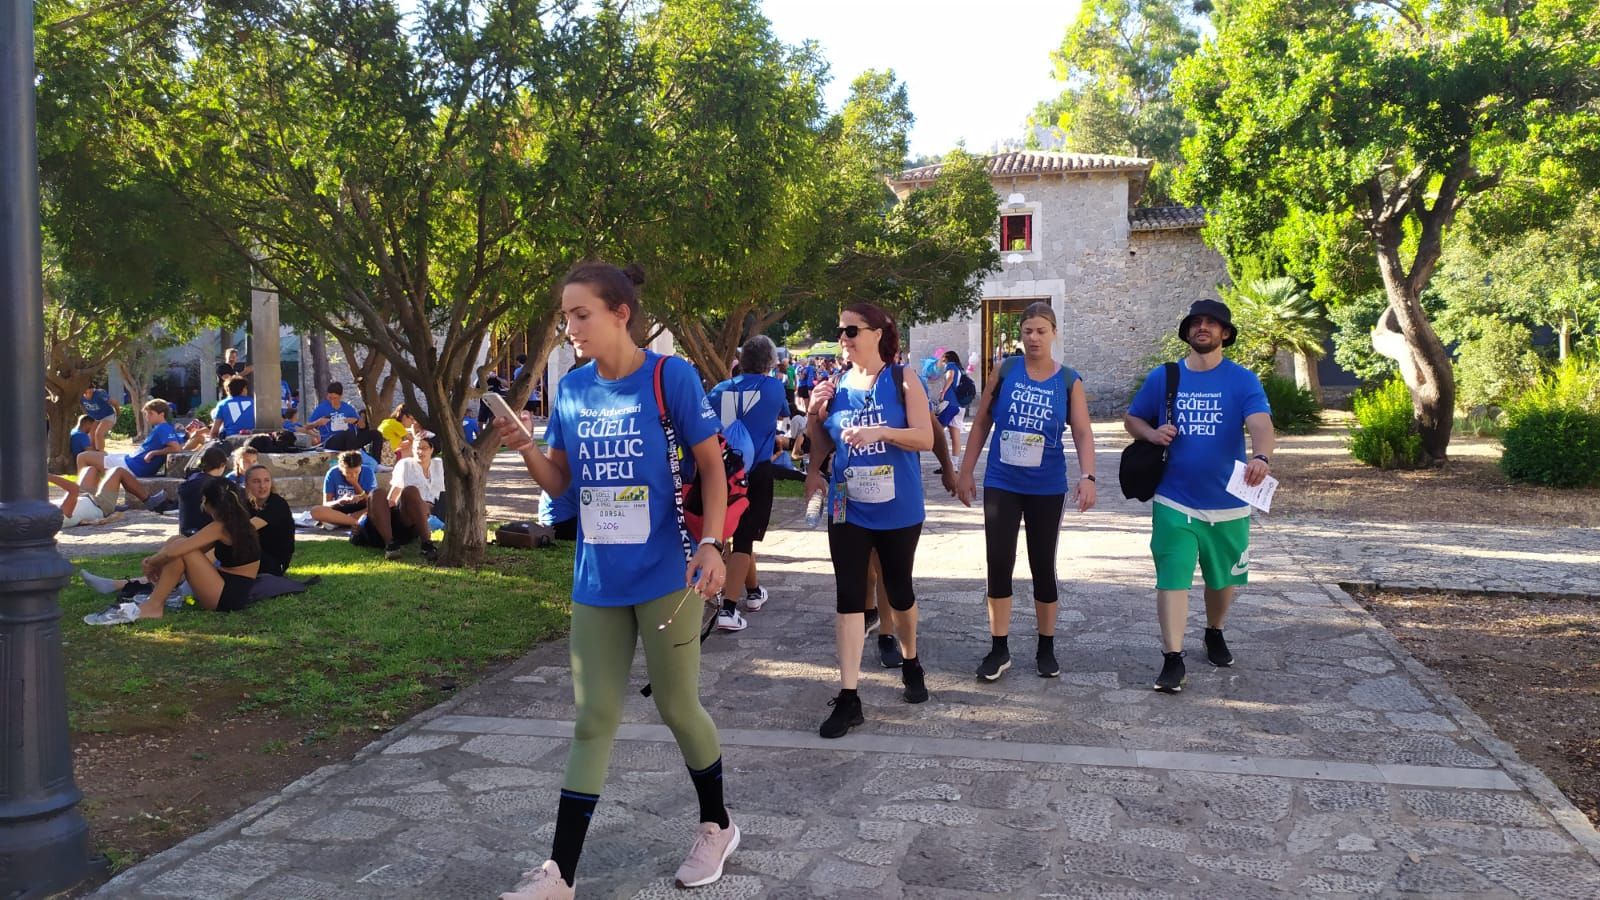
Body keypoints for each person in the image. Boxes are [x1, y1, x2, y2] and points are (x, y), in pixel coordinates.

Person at [493, 261, 735, 900]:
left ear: (620, 313)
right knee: (592, 717)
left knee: (679, 707)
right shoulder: (571, 389)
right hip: (596, 579)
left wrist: (712, 544)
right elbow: (562, 486)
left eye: (581, 315)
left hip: (668, 576)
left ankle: (717, 825)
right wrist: (524, 446)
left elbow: (712, 469)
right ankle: (559, 875)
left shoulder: (669, 376)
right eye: (566, 316)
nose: (570, 328)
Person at [1124, 299, 1275, 694]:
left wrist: (1261, 456)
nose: (1203, 327)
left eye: (1212, 323)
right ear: (1188, 331)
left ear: (1225, 333)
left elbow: (1261, 423)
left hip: (1229, 502)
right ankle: (1172, 658)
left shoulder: (1243, 380)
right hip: (1173, 498)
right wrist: (1152, 434)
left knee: (1222, 580)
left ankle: (1214, 630)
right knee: (1172, 578)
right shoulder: (1166, 376)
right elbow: (1133, 418)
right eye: (1196, 322)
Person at [804, 302, 935, 739]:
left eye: (850, 330)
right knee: (849, 595)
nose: (843, 337)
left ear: (878, 333)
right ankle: (849, 697)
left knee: (899, 591)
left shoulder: (902, 379)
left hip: (898, 507)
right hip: (848, 506)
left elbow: (925, 437)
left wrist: (882, 432)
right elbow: (822, 446)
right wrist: (812, 414)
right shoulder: (836, 384)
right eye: (840, 330)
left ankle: (911, 659)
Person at [957, 302, 1098, 681]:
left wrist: (1088, 476)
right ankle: (999, 647)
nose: (1033, 338)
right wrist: (965, 470)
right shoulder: (1005, 371)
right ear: (1020, 334)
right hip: (1003, 482)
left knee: (1042, 565)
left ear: (1054, 333)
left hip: (1046, 486)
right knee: (999, 562)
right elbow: (982, 420)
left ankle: (1045, 646)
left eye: (1041, 331)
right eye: (1027, 331)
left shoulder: (1068, 380)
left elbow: (1083, 432)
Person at [82, 478, 262, 625]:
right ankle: (158, 594)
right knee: (177, 541)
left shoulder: (221, 526)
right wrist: (160, 562)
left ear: (207, 502)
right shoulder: (235, 523)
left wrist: (151, 562)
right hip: (228, 586)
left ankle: (154, 605)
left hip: (228, 596)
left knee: (180, 550)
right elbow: (187, 546)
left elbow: (179, 552)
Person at [704, 335, 787, 630]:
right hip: (756, 471)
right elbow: (783, 416)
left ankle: (753, 591)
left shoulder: (717, 390)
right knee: (743, 539)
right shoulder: (774, 388)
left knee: (738, 533)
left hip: (720, 473)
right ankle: (727, 608)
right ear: (769, 363)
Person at [74, 399, 179, 503]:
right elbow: (181, 445)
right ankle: (93, 499)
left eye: (150, 414)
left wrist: (154, 453)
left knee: (83, 457)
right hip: (129, 459)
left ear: (162, 414)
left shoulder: (163, 428)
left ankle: (82, 498)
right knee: (93, 463)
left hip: (133, 466)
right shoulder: (164, 428)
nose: (147, 417)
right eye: (147, 414)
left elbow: (176, 448)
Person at [244, 464, 296, 576]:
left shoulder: (277, 504)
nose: (262, 486)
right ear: (247, 485)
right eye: (256, 481)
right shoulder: (246, 503)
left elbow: (245, 530)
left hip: (274, 563)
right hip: (254, 555)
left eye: (266, 480)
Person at [312, 450, 378, 529]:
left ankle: (340, 522)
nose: (353, 475)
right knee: (315, 511)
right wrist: (340, 501)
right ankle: (356, 523)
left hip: (361, 510)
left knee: (380, 508)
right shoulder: (333, 473)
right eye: (348, 473)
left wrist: (355, 484)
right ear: (341, 469)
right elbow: (326, 504)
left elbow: (372, 503)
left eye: (356, 472)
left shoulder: (368, 472)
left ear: (361, 466)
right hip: (339, 510)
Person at [180, 443, 232, 536]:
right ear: (222, 465)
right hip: (206, 532)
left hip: (186, 530)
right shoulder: (216, 485)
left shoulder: (191, 479)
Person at [936, 350, 966, 462]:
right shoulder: (960, 368)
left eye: (943, 358)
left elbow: (950, 377)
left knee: (937, 431)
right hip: (959, 405)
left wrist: (943, 392)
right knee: (955, 436)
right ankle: (954, 464)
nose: (942, 361)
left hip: (949, 403)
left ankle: (944, 463)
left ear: (947, 358)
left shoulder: (950, 366)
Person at [79, 385, 119, 451]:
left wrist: (117, 414)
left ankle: (101, 453)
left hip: (108, 416)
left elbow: (115, 403)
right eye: (86, 392)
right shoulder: (80, 396)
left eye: (90, 390)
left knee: (98, 433)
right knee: (91, 436)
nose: (88, 394)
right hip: (95, 418)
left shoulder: (100, 394)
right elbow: (82, 406)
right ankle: (93, 453)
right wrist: (87, 415)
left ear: (92, 389)